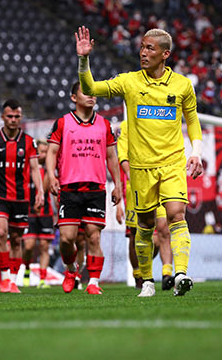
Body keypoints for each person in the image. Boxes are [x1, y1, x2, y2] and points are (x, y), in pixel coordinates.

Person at [75, 25, 203, 298]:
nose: (143, 53)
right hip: (141, 168)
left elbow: (192, 119)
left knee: (176, 215)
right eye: (142, 47)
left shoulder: (182, 85)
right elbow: (91, 87)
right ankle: (146, 281)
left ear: (165, 54)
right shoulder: (129, 82)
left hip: (172, 163)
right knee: (144, 227)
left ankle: (180, 273)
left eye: (150, 48)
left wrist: (196, 152)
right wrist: (84, 59)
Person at [46, 81, 122, 295]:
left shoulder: (104, 125)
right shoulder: (62, 123)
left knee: (94, 236)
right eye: (85, 92)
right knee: (67, 238)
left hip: (95, 188)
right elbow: (52, 152)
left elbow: (111, 157)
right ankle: (71, 269)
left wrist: (117, 185)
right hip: (69, 188)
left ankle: (94, 282)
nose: (91, 96)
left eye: (93, 93)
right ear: (73, 98)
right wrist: (51, 176)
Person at [0, 99, 44, 294]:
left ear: (20, 117)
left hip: (21, 198)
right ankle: (4, 278)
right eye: (10, 116)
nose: (13, 120)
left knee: (16, 239)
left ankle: (12, 280)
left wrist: (40, 191)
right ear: (2, 117)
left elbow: (35, 169)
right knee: (1, 232)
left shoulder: (29, 142)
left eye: (16, 116)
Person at [117, 120, 174, 292]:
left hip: (159, 180)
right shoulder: (126, 126)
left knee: (164, 229)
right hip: (136, 185)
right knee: (136, 233)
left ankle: (167, 274)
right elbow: (122, 155)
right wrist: (132, 176)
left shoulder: (157, 120)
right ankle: (139, 274)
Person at [22, 140, 56, 288]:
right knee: (29, 246)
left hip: (45, 213)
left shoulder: (50, 170)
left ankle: (42, 279)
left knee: (44, 246)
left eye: (45, 152)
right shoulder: (27, 168)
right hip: (28, 212)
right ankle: (26, 269)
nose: (42, 154)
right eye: (40, 151)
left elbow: (47, 188)